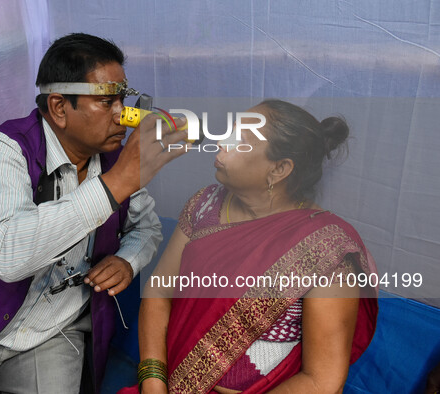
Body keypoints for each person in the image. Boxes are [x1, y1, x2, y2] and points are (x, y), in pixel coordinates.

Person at [0, 33, 188, 393]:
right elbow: (9, 256)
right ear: (59, 107)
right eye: (107, 101)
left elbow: (146, 228)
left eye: (124, 99)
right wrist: (114, 184)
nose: (124, 115)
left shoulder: (115, 159)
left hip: (53, 329)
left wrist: (127, 260)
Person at [123, 99, 378, 393]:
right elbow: (159, 291)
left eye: (240, 140)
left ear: (279, 169)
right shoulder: (205, 205)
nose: (221, 142)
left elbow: (322, 381)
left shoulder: (325, 249)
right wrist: (153, 382)